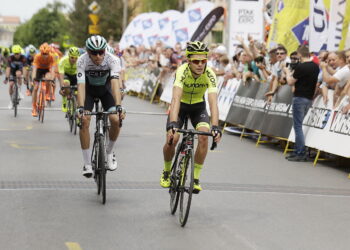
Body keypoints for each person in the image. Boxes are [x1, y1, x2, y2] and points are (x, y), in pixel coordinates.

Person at [159, 41, 222, 193]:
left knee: (203, 137)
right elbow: (175, 99)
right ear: (188, 61)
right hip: (180, 107)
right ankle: (167, 171)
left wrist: (215, 126)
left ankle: (195, 178)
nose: (200, 64)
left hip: (198, 108)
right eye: (196, 61)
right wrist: (173, 123)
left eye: (203, 61)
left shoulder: (210, 74)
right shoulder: (182, 71)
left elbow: (213, 102)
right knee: (173, 139)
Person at [77, 35, 125, 178]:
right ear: (88, 52)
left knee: (115, 120)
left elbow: (115, 84)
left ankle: (109, 153)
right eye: (94, 53)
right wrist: (80, 107)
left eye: (101, 52)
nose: (98, 56)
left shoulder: (113, 59)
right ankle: (86, 163)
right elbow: (81, 86)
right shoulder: (82, 60)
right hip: (89, 91)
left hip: (106, 91)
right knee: (84, 121)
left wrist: (118, 106)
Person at [285, 45, 319, 161]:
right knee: (299, 125)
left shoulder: (301, 67)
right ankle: (298, 150)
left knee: (297, 126)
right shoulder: (315, 67)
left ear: (299, 54)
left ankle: (300, 152)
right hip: (309, 98)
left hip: (299, 97)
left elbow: (290, 82)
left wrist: (287, 72)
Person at [31, 43, 56, 117]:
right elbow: (34, 69)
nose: (45, 55)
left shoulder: (51, 57)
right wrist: (33, 78)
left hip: (47, 70)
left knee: (48, 78)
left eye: (46, 54)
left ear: (49, 53)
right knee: (35, 88)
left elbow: (53, 69)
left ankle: (47, 93)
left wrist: (52, 78)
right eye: (43, 54)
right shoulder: (37, 56)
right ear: (40, 53)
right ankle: (34, 107)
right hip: (38, 70)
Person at [3, 45, 28, 109]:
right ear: (13, 53)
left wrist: (25, 78)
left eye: (18, 53)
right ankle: (11, 101)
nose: (16, 55)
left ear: (20, 52)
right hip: (12, 71)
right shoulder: (10, 58)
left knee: (18, 74)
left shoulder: (23, 58)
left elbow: (24, 68)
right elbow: (8, 68)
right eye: (15, 54)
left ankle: (19, 91)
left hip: (19, 70)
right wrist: (6, 78)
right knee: (11, 84)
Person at [58, 47, 80, 112]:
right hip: (66, 75)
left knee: (78, 93)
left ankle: (76, 109)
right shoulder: (63, 61)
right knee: (66, 84)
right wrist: (62, 87)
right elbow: (61, 76)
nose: (74, 59)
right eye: (72, 57)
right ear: (69, 56)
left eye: (76, 58)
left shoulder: (80, 61)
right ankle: (64, 100)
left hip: (75, 75)